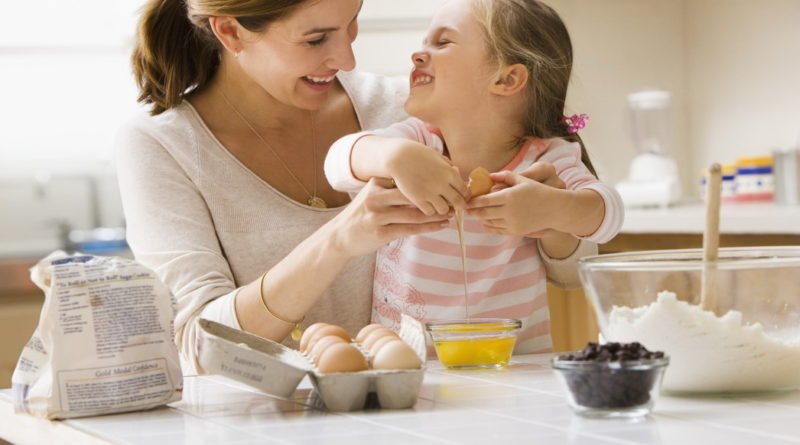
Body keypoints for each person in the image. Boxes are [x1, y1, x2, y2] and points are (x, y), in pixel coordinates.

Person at [117, 0, 463, 372]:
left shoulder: (403, 109)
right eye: (316, 40)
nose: (346, 60)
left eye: (351, 24)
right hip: (263, 422)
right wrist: (338, 241)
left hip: (420, 409)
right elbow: (199, 345)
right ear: (231, 32)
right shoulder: (164, 144)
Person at [324, 0, 623, 353]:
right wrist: (392, 156)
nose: (418, 54)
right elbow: (337, 163)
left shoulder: (543, 160)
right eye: (424, 41)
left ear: (507, 78)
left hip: (514, 372)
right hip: (409, 369)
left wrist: (554, 210)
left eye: (443, 42)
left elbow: (609, 213)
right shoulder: (418, 142)